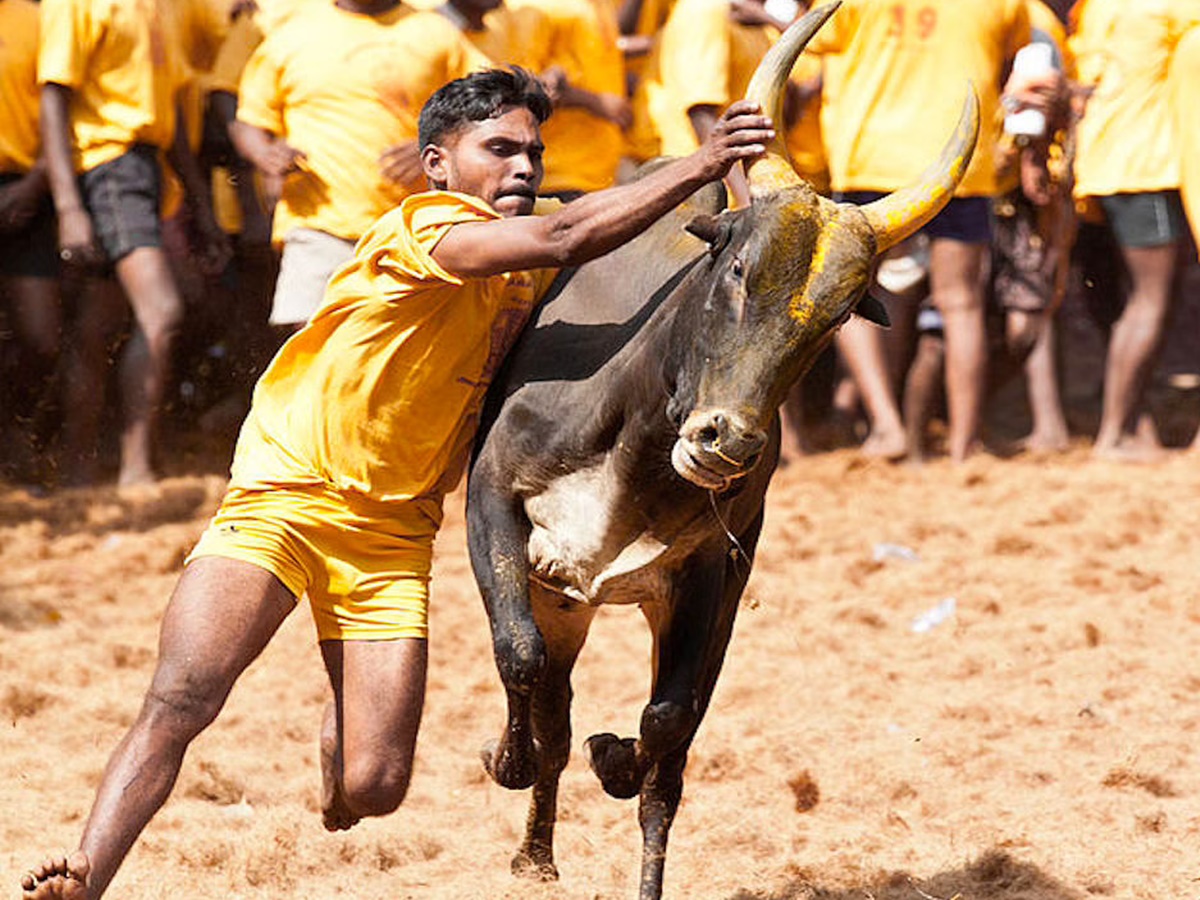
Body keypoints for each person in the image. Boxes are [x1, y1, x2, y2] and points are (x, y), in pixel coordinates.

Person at [19, 66, 775, 900]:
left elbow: (612, 222)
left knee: (371, 790)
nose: (523, 166)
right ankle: (83, 876)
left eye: (534, 151)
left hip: (393, 535)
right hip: (287, 494)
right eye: (499, 150)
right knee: (183, 698)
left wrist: (738, 181)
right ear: (438, 165)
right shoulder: (425, 225)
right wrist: (705, 160)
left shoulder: (530, 248)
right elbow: (570, 238)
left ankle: (337, 707)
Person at [808, 0, 1032, 462]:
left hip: (871, 157)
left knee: (849, 297)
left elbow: (814, 40)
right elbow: (1011, 63)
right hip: (959, 157)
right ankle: (964, 444)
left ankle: (886, 426)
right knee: (962, 303)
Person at [38, 0, 229, 487]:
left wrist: (201, 204)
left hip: (149, 169)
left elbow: (174, 122)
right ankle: (134, 466)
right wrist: (69, 207)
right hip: (109, 167)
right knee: (161, 311)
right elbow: (54, 98)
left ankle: (80, 464)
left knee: (98, 324)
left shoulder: (167, 8)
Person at [230, 0, 488, 333]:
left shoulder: (436, 32)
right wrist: (266, 154)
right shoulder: (293, 33)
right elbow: (249, 122)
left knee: (396, 349)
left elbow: (488, 109)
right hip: (319, 223)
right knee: (315, 340)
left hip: (412, 231)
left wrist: (437, 144)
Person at [1069, 0, 1200, 461]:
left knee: (1138, 300)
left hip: (1106, 162)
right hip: (1145, 165)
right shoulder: (1168, 7)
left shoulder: (1098, 7)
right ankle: (1115, 435)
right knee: (1150, 301)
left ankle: (1128, 430)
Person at [0, 0, 61, 483]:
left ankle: (14, 433)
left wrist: (36, 183)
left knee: (41, 340)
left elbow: (65, 108)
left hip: (26, 193)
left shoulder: (39, 18)